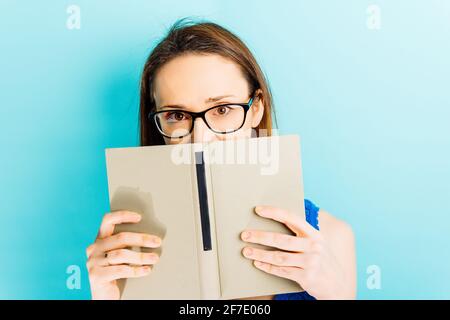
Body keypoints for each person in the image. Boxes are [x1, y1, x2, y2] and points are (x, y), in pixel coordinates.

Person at [86, 19, 357, 300]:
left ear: (256, 108)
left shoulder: (333, 237)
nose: (201, 139)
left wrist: (335, 295)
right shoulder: (127, 253)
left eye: (223, 109)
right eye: (177, 116)